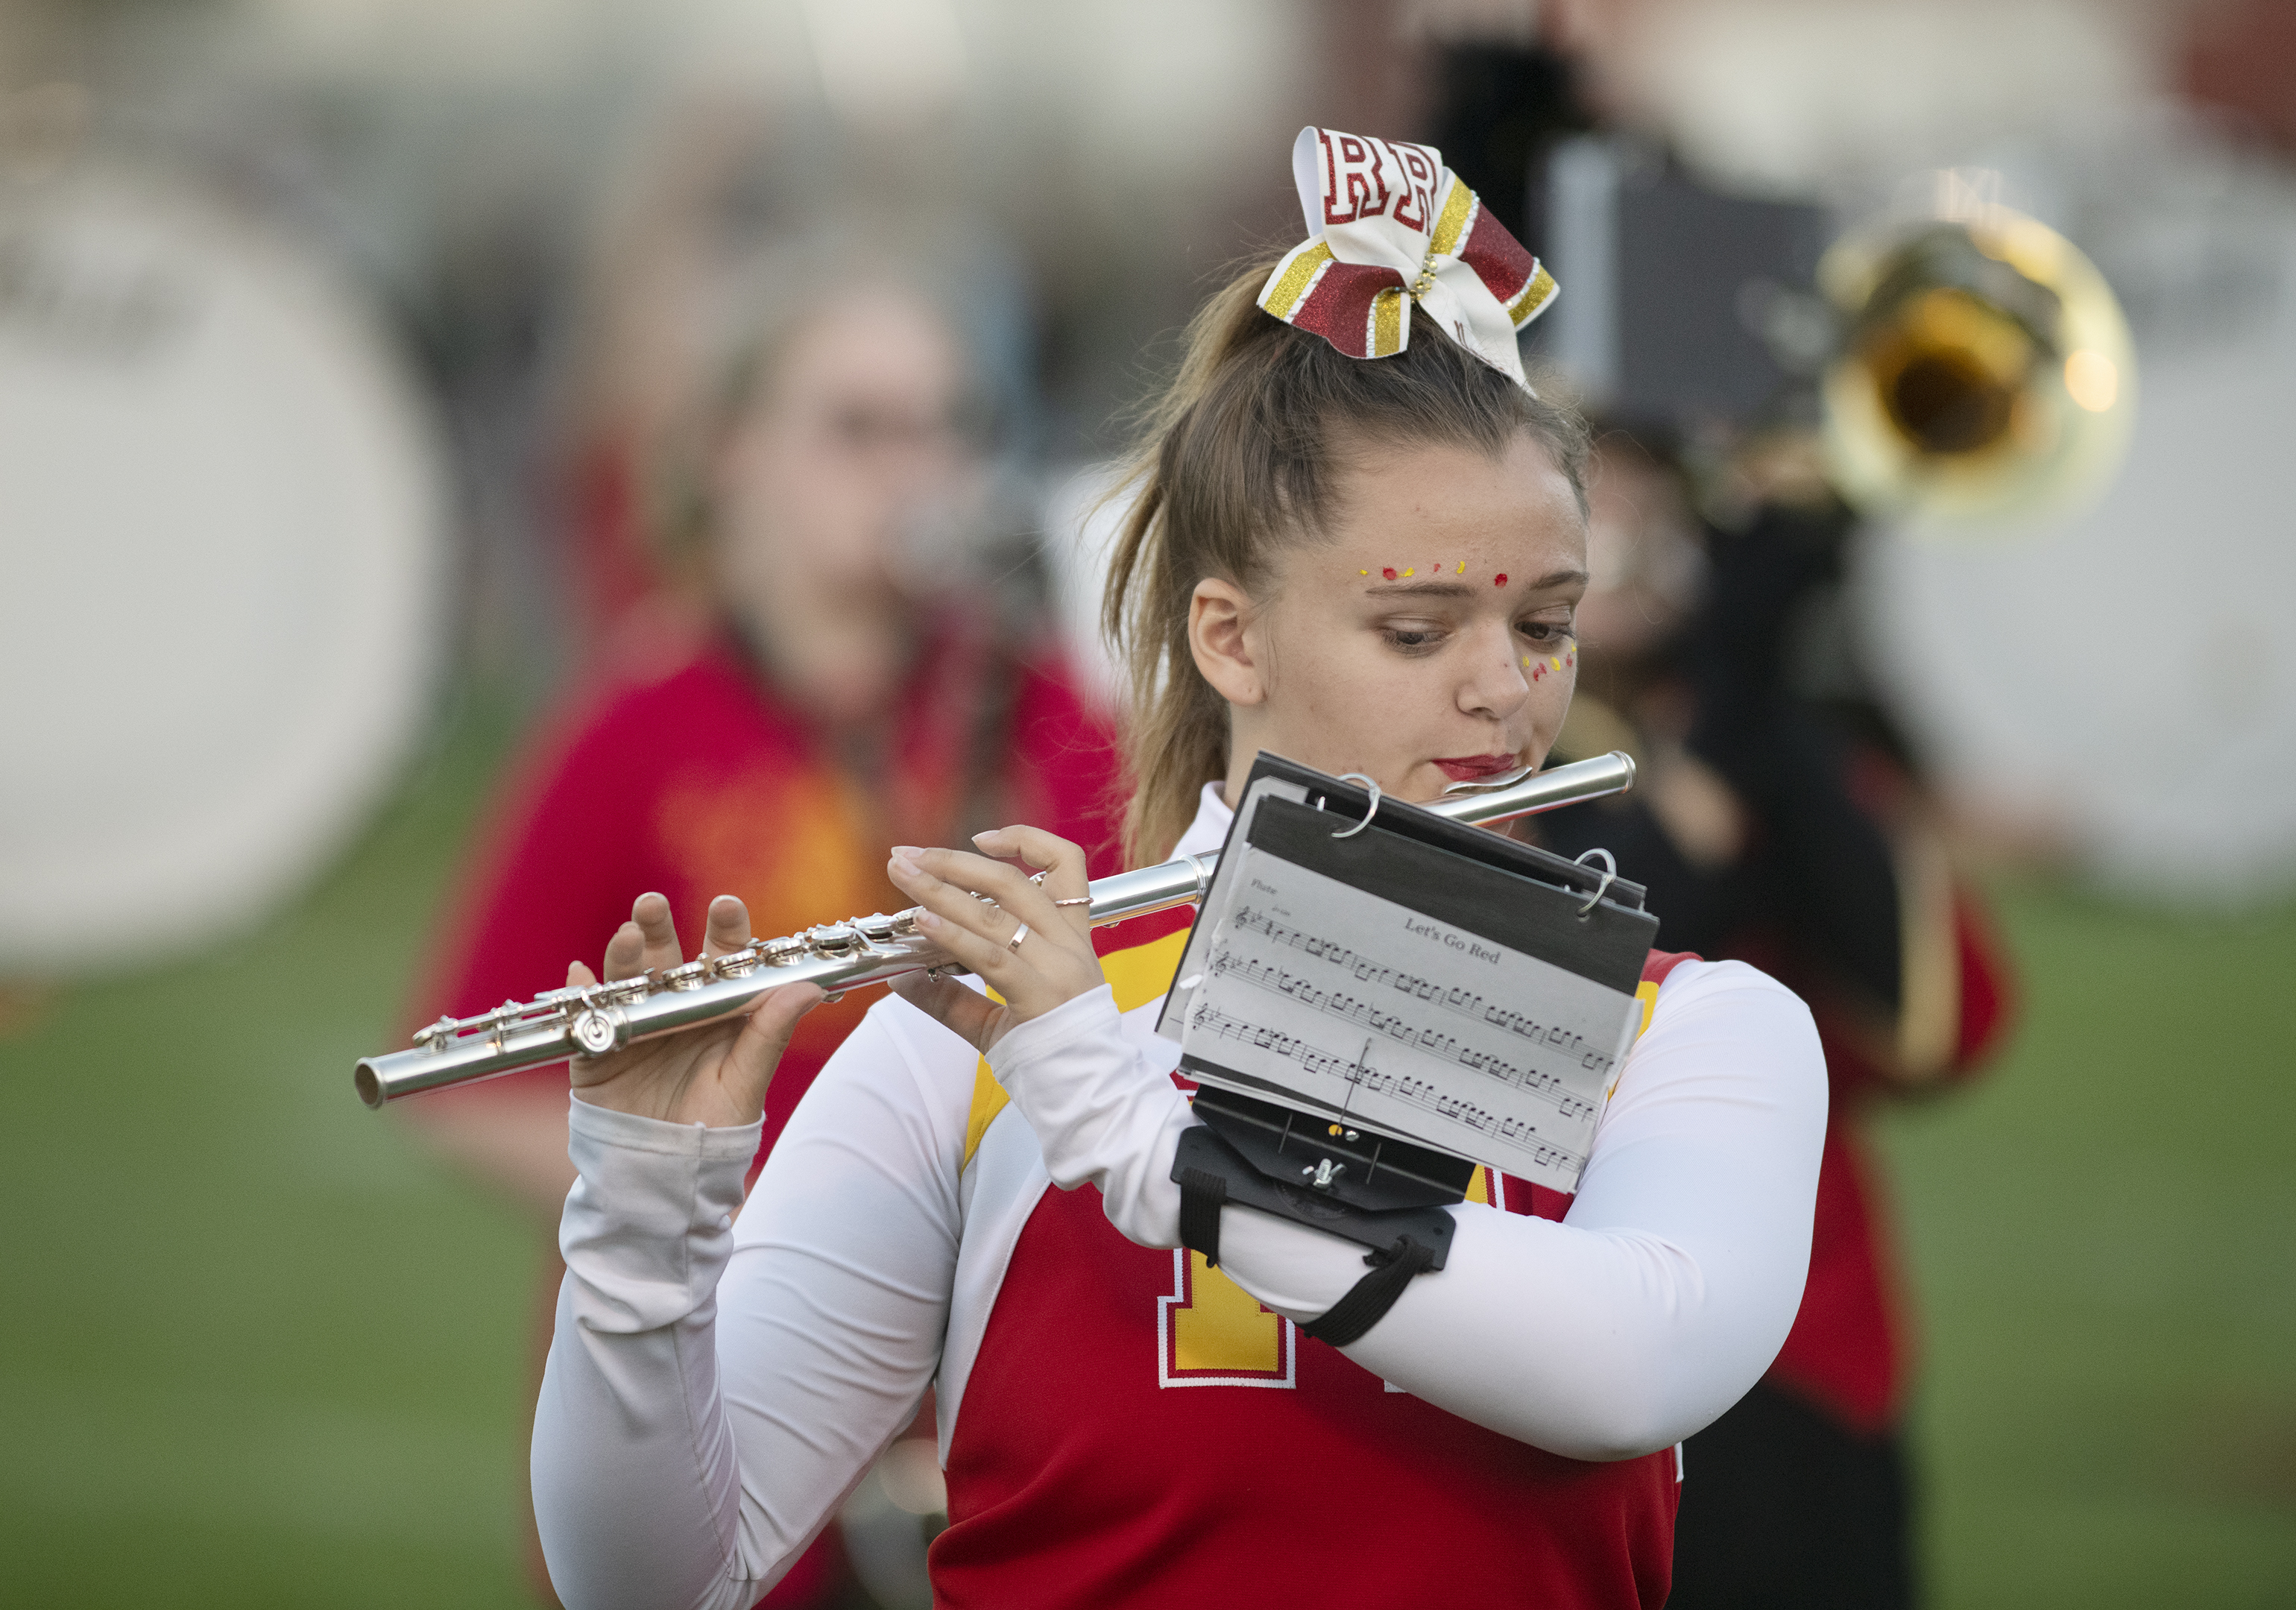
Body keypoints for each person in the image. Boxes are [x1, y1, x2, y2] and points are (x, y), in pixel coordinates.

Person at [525, 129, 1828, 1609]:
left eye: (1542, 624)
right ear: (1229, 638)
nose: (1506, 693)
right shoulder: (977, 1045)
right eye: (1416, 631)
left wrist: (1139, 1134)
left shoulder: (1698, 1031)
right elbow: (650, 1585)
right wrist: (640, 1217)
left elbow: (1630, 1362)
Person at [409, 241, 1120, 1606]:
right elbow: (469, 1086)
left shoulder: (1054, 714)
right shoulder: (634, 725)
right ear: (730, 449)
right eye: (858, 427)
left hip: (988, 1403)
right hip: (724, 1383)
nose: (916, 469)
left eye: (948, 428)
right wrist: (722, 1214)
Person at [1534, 432, 2016, 1609]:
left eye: (1660, 495)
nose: (1635, 532)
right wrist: (1721, 723)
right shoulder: (1492, 750)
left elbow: (1937, 1027)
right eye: (1596, 498)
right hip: (1568, 1328)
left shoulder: (1776, 731)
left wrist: (1769, 709)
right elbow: (1577, 999)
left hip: (1817, 1347)